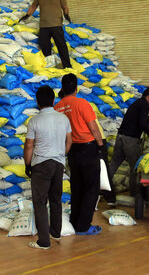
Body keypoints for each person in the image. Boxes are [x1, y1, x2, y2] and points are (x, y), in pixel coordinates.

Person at [54, 73, 104, 235]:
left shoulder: (58, 107)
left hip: (71, 151)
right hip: (88, 149)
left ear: (63, 88)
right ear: (76, 88)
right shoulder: (82, 104)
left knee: (77, 187)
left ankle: (75, 221)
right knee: (91, 188)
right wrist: (101, 145)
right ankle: (83, 226)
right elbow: (93, 128)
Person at [24, 85, 72, 250]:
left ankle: (43, 241)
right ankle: (56, 232)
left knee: (40, 202)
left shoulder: (34, 121)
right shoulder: (64, 119)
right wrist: (60, 155)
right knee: (56, 199)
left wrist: (27, 164)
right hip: (58, 164)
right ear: (53, 100)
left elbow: (29, 146)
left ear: (37, 102)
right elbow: (69, 142)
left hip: (41, 164)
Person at [108, 88, 149, 201]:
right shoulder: (144, 104)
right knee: (135, 167)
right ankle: (135, 194)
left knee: (114, 165)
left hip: (120, 136)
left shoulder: (136, 103)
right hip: (130, 139)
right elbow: (142, 124)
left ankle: (102, 189)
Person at [19, 0, 72, 69]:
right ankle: (49, 67)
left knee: (61, 46)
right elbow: (33, 6)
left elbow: (65, 6)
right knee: (45, 48)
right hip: (44, 26)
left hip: (56, 25)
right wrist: (27, 15)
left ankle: (67, 66)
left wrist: (66, 15)